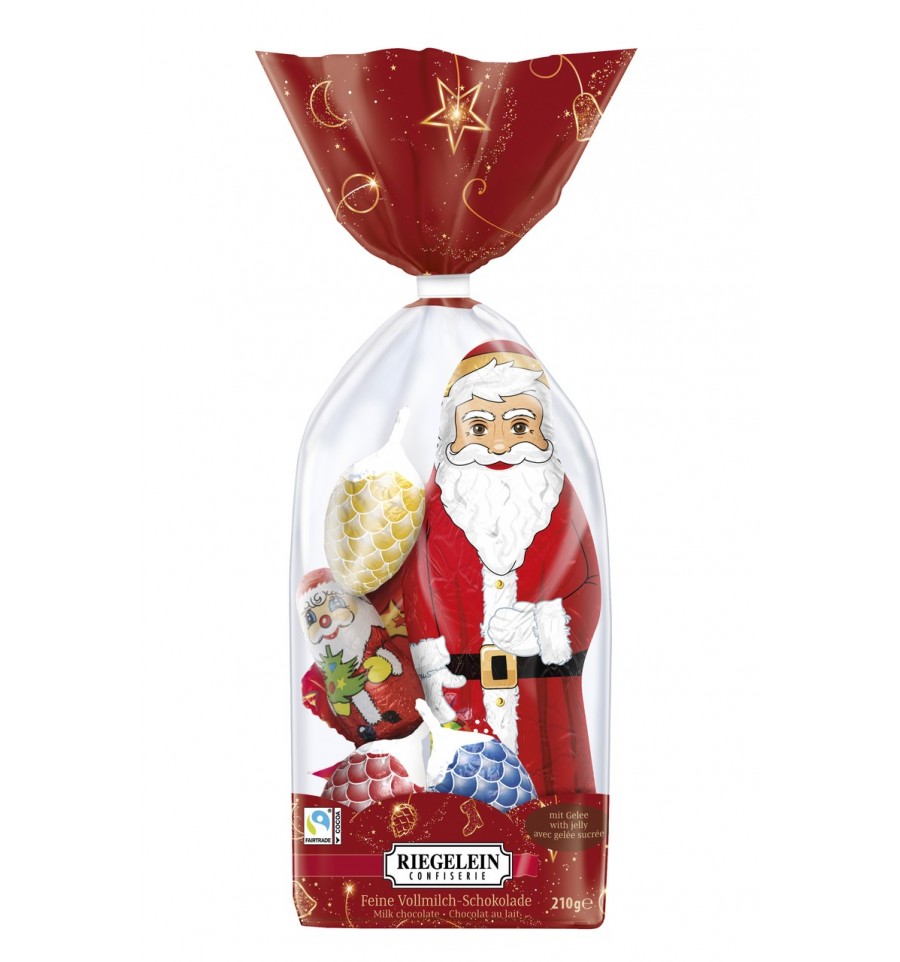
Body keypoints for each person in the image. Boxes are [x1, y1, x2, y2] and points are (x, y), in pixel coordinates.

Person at [402, 341, 601, 795]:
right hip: (458, 701)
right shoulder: (436, 506)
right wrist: (430, 664)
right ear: (451, 433)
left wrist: (546, 626)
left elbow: (588, 588)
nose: (497, 445)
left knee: (551, 805)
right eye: (478, 426)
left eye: (519, 426)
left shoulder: (559, 503)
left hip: (546, 706)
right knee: (460, 812)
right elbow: (415, 590)